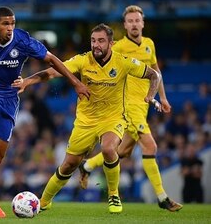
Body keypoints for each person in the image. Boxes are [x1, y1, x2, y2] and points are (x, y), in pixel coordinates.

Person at [12, 23, 161, 213]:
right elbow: (51, 73)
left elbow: (153, 75)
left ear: (111, 43)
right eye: (93, 41)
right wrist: (27, 81)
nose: (96, 45)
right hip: (85, 122)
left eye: (101, 41)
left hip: (113, 118)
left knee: (108, 148)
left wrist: (150, 95)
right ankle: (45, 201)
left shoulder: (123, 62)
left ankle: (113, 195)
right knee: (69, 165)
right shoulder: (83, 61)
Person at [0, 6, 90, 218]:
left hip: (9, 100)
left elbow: (53, 60)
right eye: (5, 24)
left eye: (12, 24)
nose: (10, 28)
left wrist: (75, 82)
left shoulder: (22, 40)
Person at [78, 5, 183, 212]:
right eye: (130, 21)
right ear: (125, 25)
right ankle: (162, 198)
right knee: (150, 147)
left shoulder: (149, 45)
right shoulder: (118, 47)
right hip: (128, 106)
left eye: (137, 20)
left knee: (123, 151)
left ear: (143, 23)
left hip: (143, 105)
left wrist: (162, 97)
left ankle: (88, 165)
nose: (134, 24)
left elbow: (155, 71)